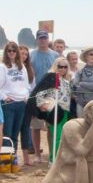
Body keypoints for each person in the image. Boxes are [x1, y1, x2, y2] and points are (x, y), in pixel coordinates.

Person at [0, 42, 34, 167]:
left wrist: (26, 96)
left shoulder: (22, 67)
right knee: (7, 134)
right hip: (8, 105)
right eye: (9, 51)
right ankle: (5, 163)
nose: (11, 53)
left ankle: (12, 162)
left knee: (15, 134)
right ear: (6, 52)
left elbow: (27, 86)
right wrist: (5, 97)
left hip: (21, 104)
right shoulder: (2, 67)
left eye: (14, 50)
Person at [28, 57, 73, 162]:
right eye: (60, 66)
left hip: (65, 110)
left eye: (65, 67)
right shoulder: (51, 77)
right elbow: (39, 92)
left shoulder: (66, 80)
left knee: (61, 136)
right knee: (57, 136)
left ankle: (55, 158)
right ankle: (53, 160)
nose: (62, 69)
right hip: (54, 110)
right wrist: (41, 104)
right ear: (55, 66)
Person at [29, 30, 58, 163]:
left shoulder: (55, 55)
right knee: (36, 126)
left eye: (45, 38)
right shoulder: (31, 55)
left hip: (51, 95)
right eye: (40, 38)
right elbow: (29, 76)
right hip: (35, 95)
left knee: (51, 126)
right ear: (37, 39)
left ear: (48, 39)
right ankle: (37, 154)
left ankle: (52, 153)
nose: (43, 40)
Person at [72, 48, 93, 118]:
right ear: (86, 57)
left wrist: (81, 84)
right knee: (81, 126)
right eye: (91, 54)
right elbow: (74, 89)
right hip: (81, 104)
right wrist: (91, 87)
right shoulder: (80, 71)